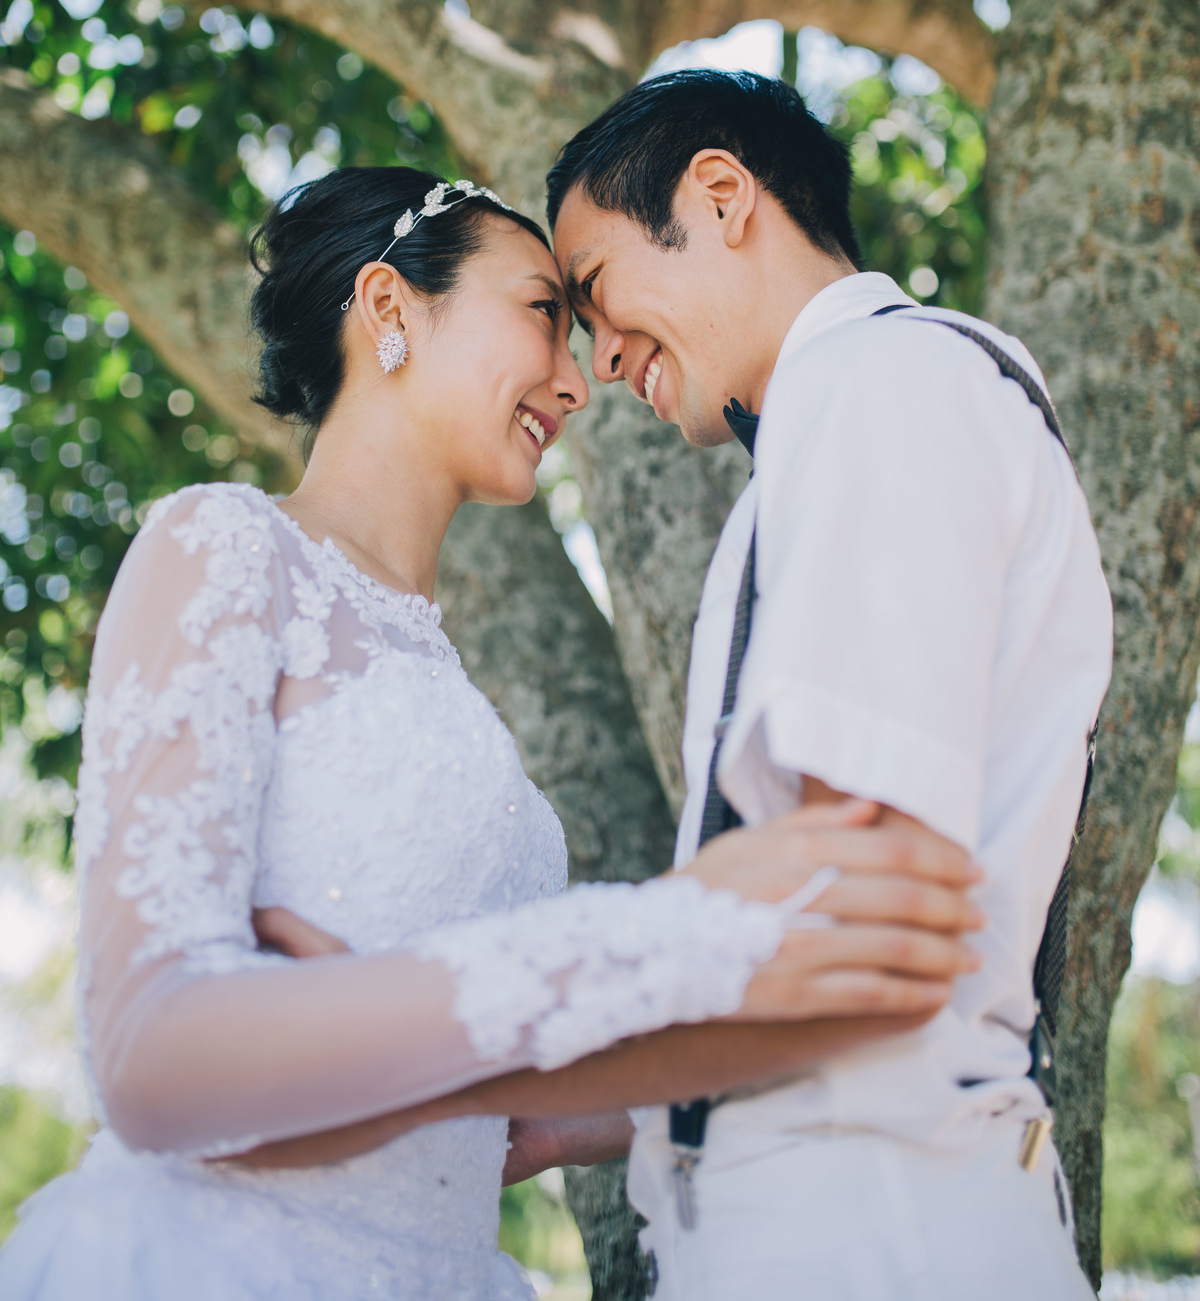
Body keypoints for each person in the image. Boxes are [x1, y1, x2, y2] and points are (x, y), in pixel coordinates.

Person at [0, 165, 982, 1301]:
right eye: (542, 316)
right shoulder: (221, 549)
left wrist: (741, 1028)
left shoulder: (447, 678)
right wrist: (670, 932)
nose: (577, 381)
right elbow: (151, 1057)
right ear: (388, 308)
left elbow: (486, 1072)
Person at [543, 68, 1111, 1301]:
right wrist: (527, 1122)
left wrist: (470, 1036)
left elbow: (858, 921)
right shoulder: (853, 414)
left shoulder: (884, 385)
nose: (592, 362)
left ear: (721, 193)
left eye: (593, 293)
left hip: (867, 1228)